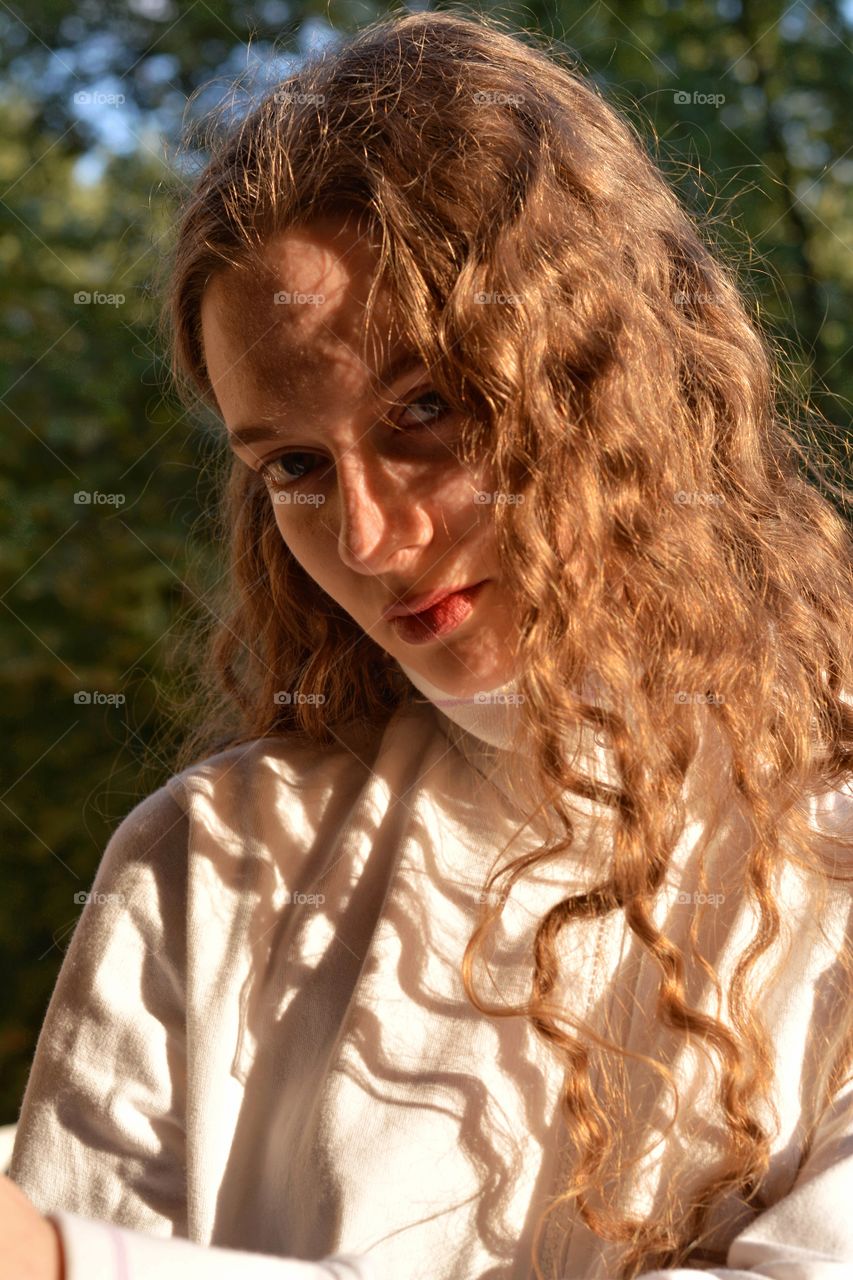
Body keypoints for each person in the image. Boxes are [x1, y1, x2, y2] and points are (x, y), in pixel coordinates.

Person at [6, 9, 853, 1280]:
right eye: (292, 463)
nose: (364, 532)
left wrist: (81, 1263)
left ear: (606, 383)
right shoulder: (210, 860)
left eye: (427, 409)